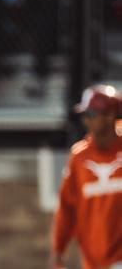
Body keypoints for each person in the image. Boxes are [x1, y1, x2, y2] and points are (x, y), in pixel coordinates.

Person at [51, 84, 122, 269]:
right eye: (85, 116)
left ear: (110, 115)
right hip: (94, 260)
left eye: (91, 115)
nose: (86, 121)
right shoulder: (79, 157)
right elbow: (67, 207)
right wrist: (58, 249)